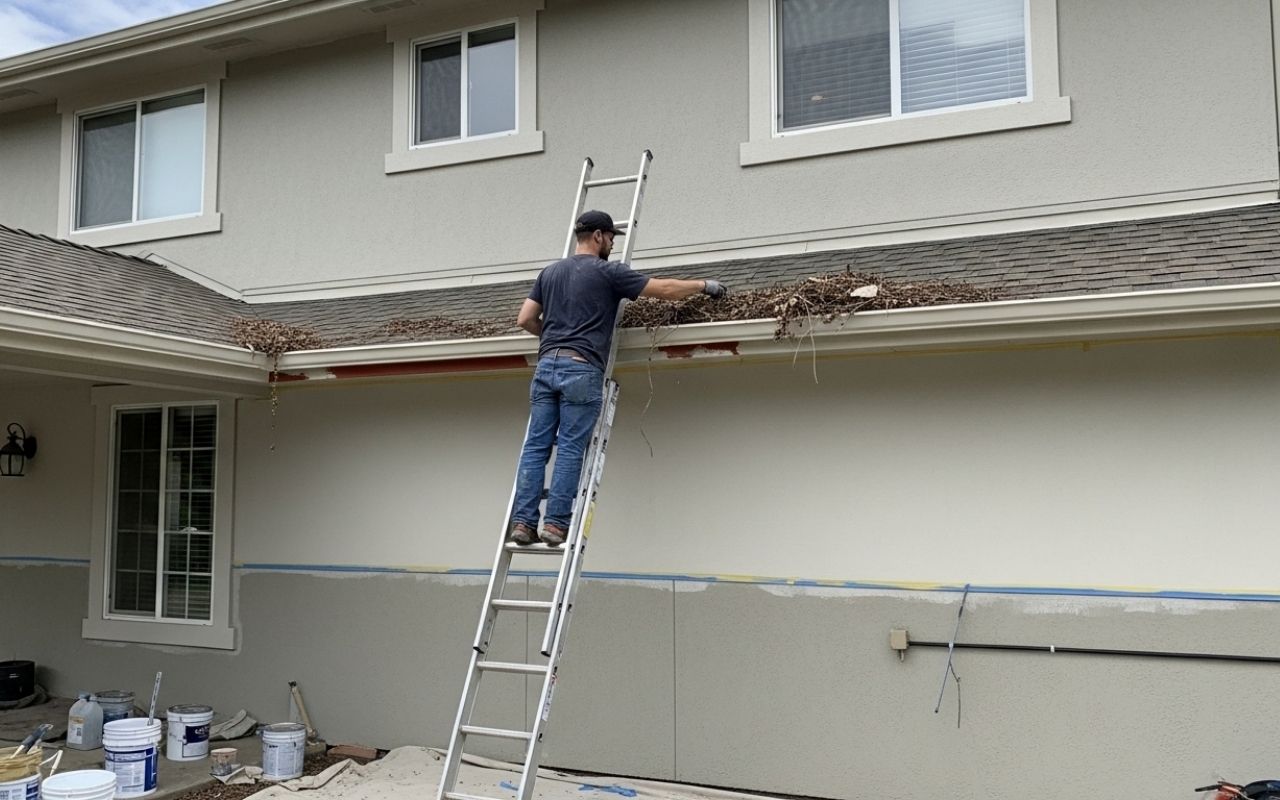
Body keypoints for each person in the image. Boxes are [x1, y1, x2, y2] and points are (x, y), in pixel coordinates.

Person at [509, 210, 728, 546]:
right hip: (581, 368)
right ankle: (554, 525)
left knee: (536, 447)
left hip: (546, 366)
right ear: (597, 236)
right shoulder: (608, 272)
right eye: (611, 237)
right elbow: (666, 289)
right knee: (569, 447)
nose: (612, 243)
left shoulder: (550, 272)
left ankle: (523, 523)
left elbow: (525, 318)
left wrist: (554, 337)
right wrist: (705, 285)